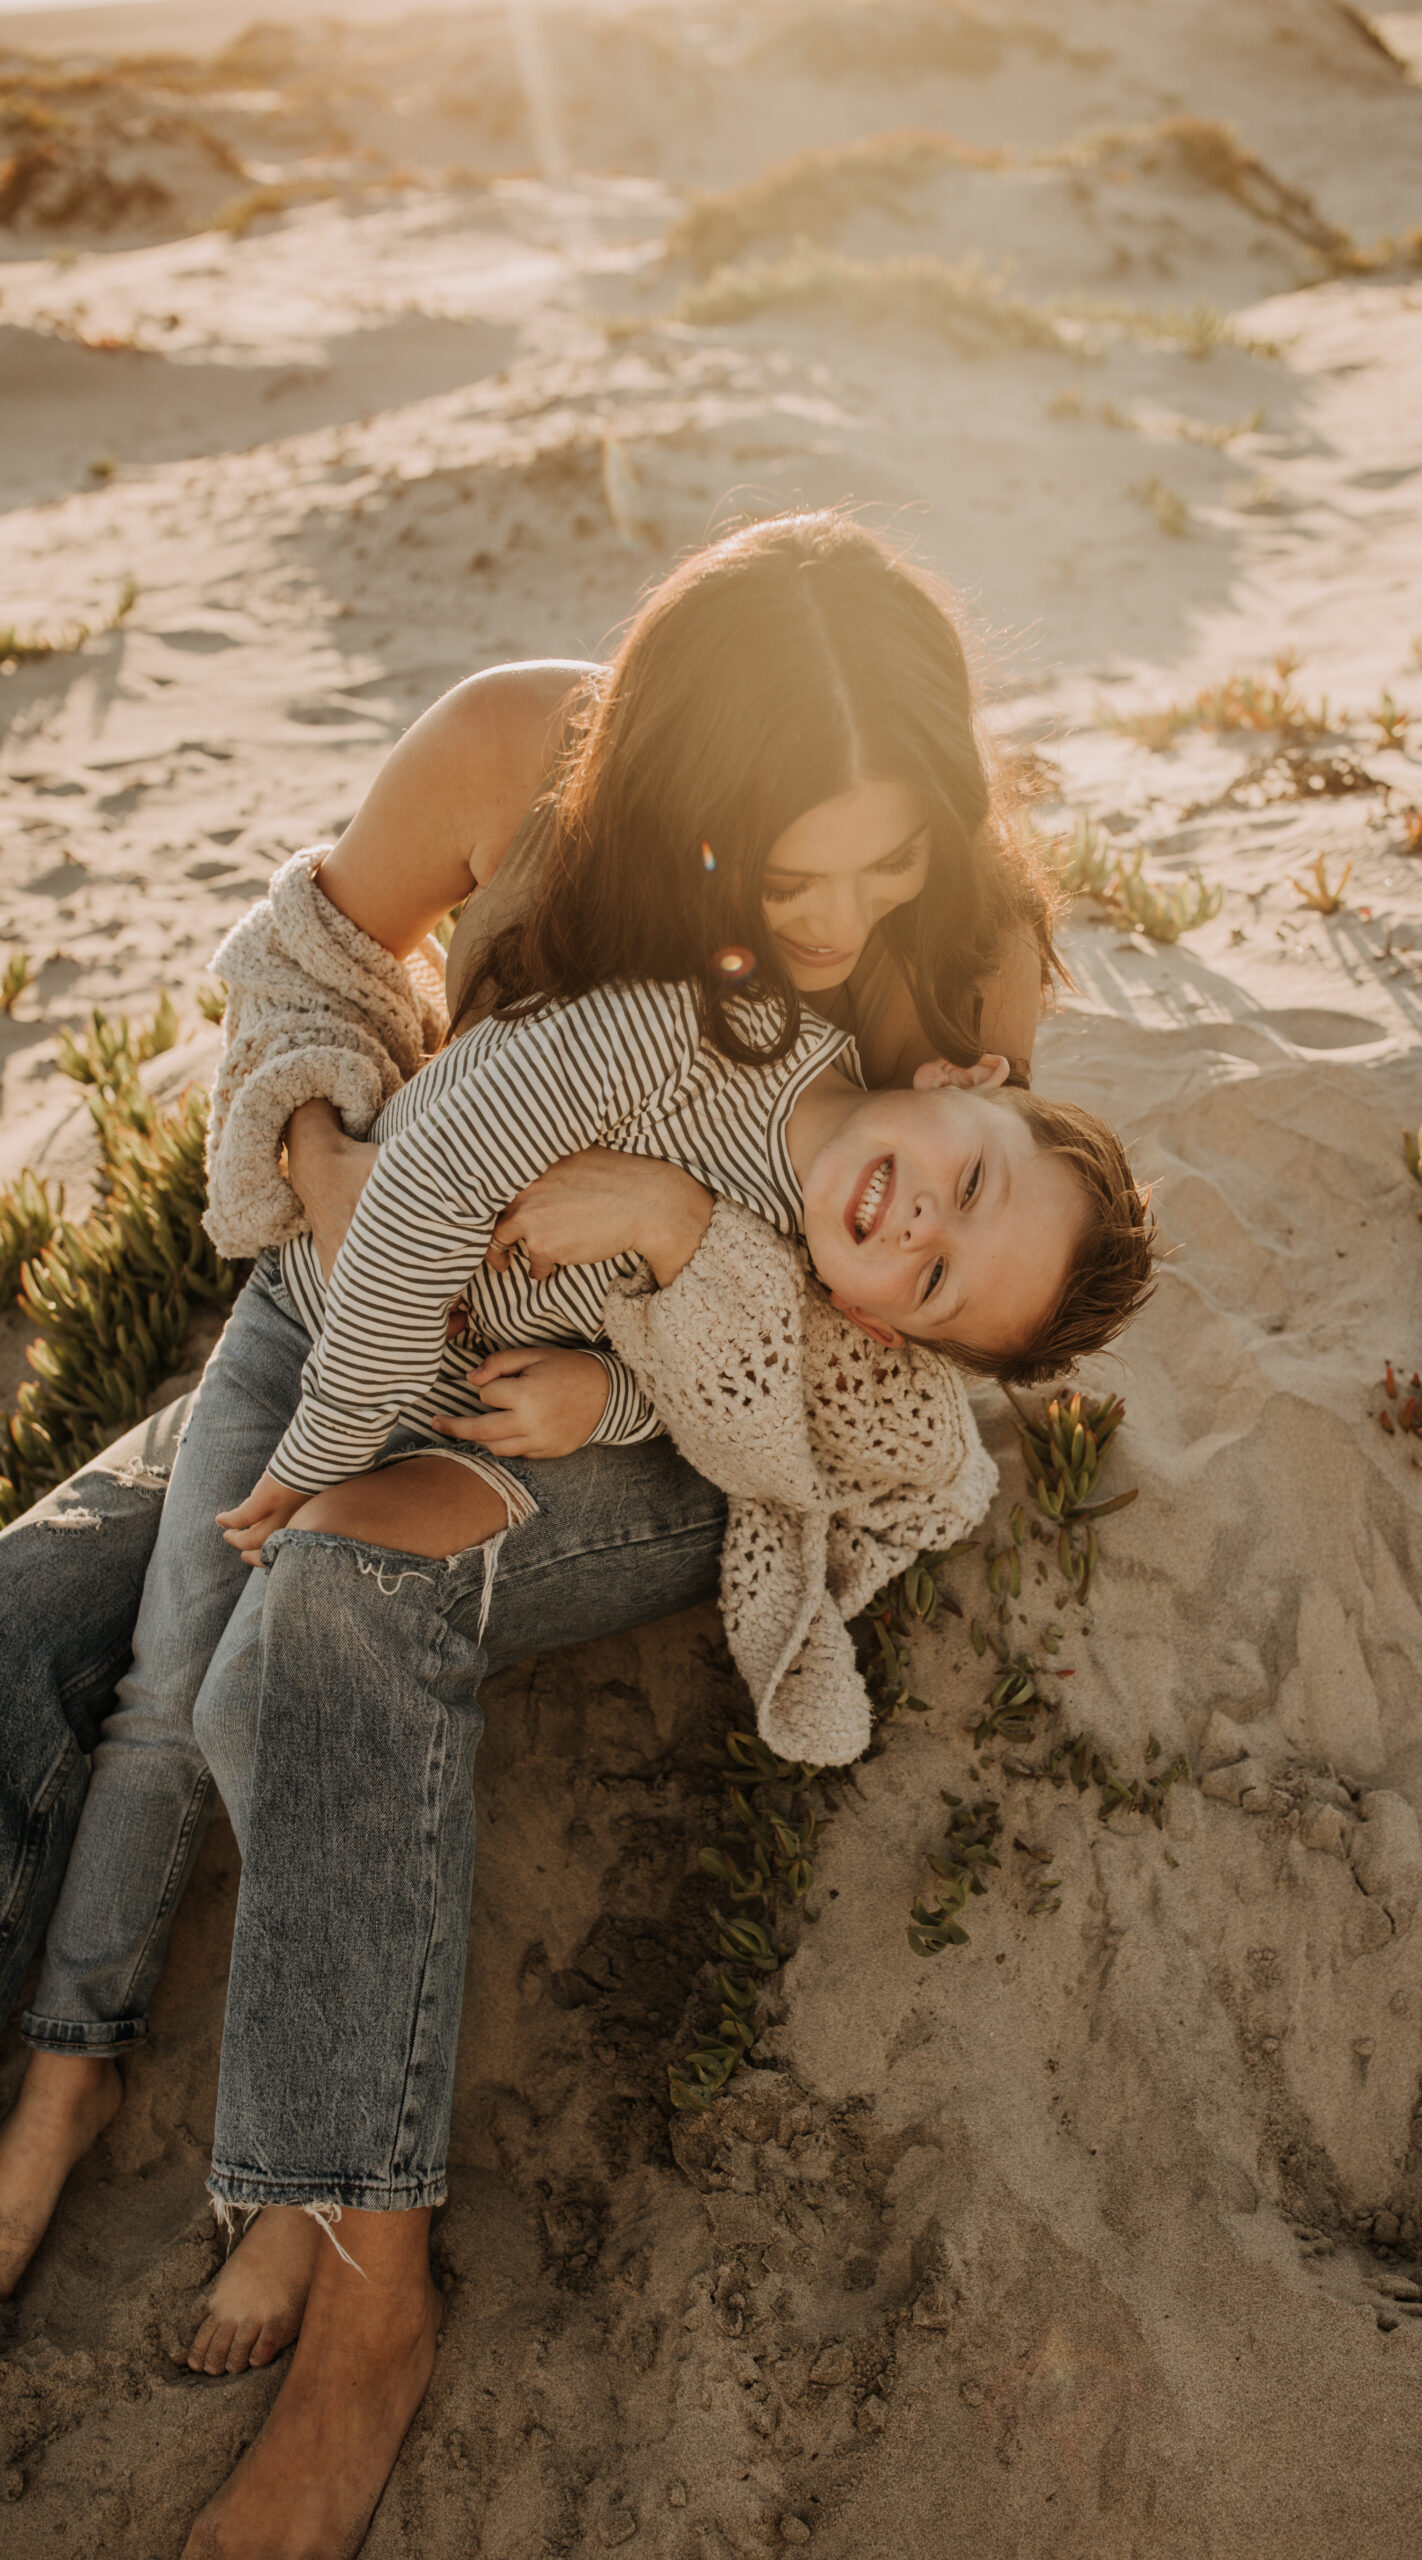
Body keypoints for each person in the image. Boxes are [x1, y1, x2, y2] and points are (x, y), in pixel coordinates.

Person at [0, 511, 1135, 2557]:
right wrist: (334, 1157)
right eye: (791, 864)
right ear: (677, 788)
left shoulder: (949, 943)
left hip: (677, 1422)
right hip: (396, 1305)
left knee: (343, 1587)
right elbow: (301, 971)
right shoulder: (516, 757)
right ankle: (52, 2081)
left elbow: (895, 1360)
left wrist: (680, 1253)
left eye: (883, 861)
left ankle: (368, 2311)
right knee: (29, 1622)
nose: (840, 911)